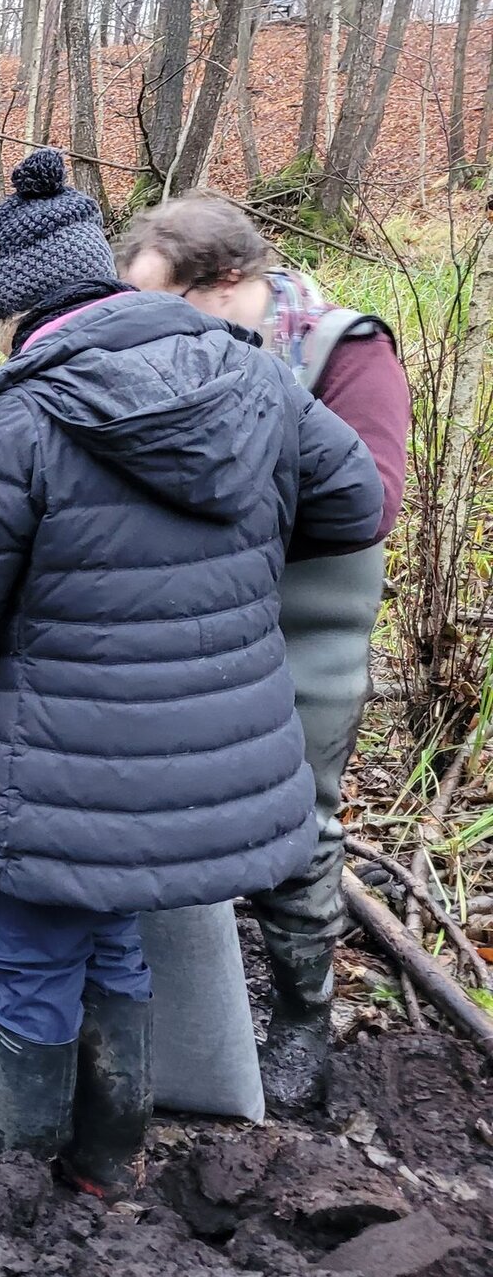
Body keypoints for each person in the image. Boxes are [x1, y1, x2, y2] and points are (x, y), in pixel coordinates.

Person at [0, 149, 382, 1197]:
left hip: (56, 761)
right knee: (108, 934)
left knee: (27, 939)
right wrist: (226, 569)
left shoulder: (20, 415)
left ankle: (15, 1150)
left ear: (18, 313)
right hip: (202, 760)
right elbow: (356, 507)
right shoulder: (248, 376)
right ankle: (104, 1159)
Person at [118, 193, 410, 1115]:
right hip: (187, 612)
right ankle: (165, 1001)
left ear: (234, 282)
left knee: (296, 825)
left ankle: (300, 1019)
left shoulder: (345, 351)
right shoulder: (173, 347)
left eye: (169, 303)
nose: (151, 328)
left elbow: (371, 504)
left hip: (305, 626)